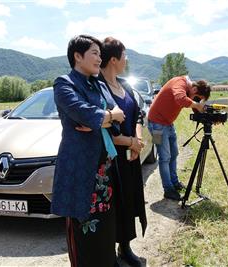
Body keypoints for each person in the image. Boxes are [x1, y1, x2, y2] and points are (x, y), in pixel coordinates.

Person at [51, 34, 125, 267]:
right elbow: (84, 113)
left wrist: (105, 117)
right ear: (77, 56)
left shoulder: (100, 84)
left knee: (106, 231)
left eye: (100, 54)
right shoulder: (64, 83)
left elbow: (117, 118)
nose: (99, 58)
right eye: (94, 53)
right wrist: (102, 116)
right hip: (81, 172)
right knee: (85, 237)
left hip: (105, 169)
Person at [98, 37, 147, 267]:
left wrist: (136, 139)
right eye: (125, 55)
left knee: (129, 202)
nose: (127, 59)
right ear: (114, 59)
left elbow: (137, 114)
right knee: (112, 207)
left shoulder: (124, 85)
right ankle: (109, 254)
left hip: (129, 156)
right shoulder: (98, 89)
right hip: (110, 162)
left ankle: (125, 248)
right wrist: (130, 142)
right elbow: (104, 131)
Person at [147, 76, 211, 201]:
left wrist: (204, 111)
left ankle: (174, 183)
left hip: (168, 123)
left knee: (174, 154)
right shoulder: (179, 83)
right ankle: (168, 189)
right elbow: (180, 98)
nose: (196, 101)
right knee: (164, 157)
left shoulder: (189, 90)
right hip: (156, 124)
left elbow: (191, 105)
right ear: (194, 89)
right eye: (197, 98)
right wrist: (197, 105)